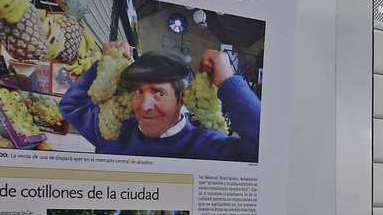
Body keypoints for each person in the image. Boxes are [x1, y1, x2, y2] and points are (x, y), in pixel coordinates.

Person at [61, 48, 259, 161]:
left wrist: (228, 82)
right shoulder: (116, 134)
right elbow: (72, 105)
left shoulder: (209, 147)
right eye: (139, 91)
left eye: (159, 93)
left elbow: (265, 147)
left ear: (182, 97)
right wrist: (108, 64)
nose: (144, 106)